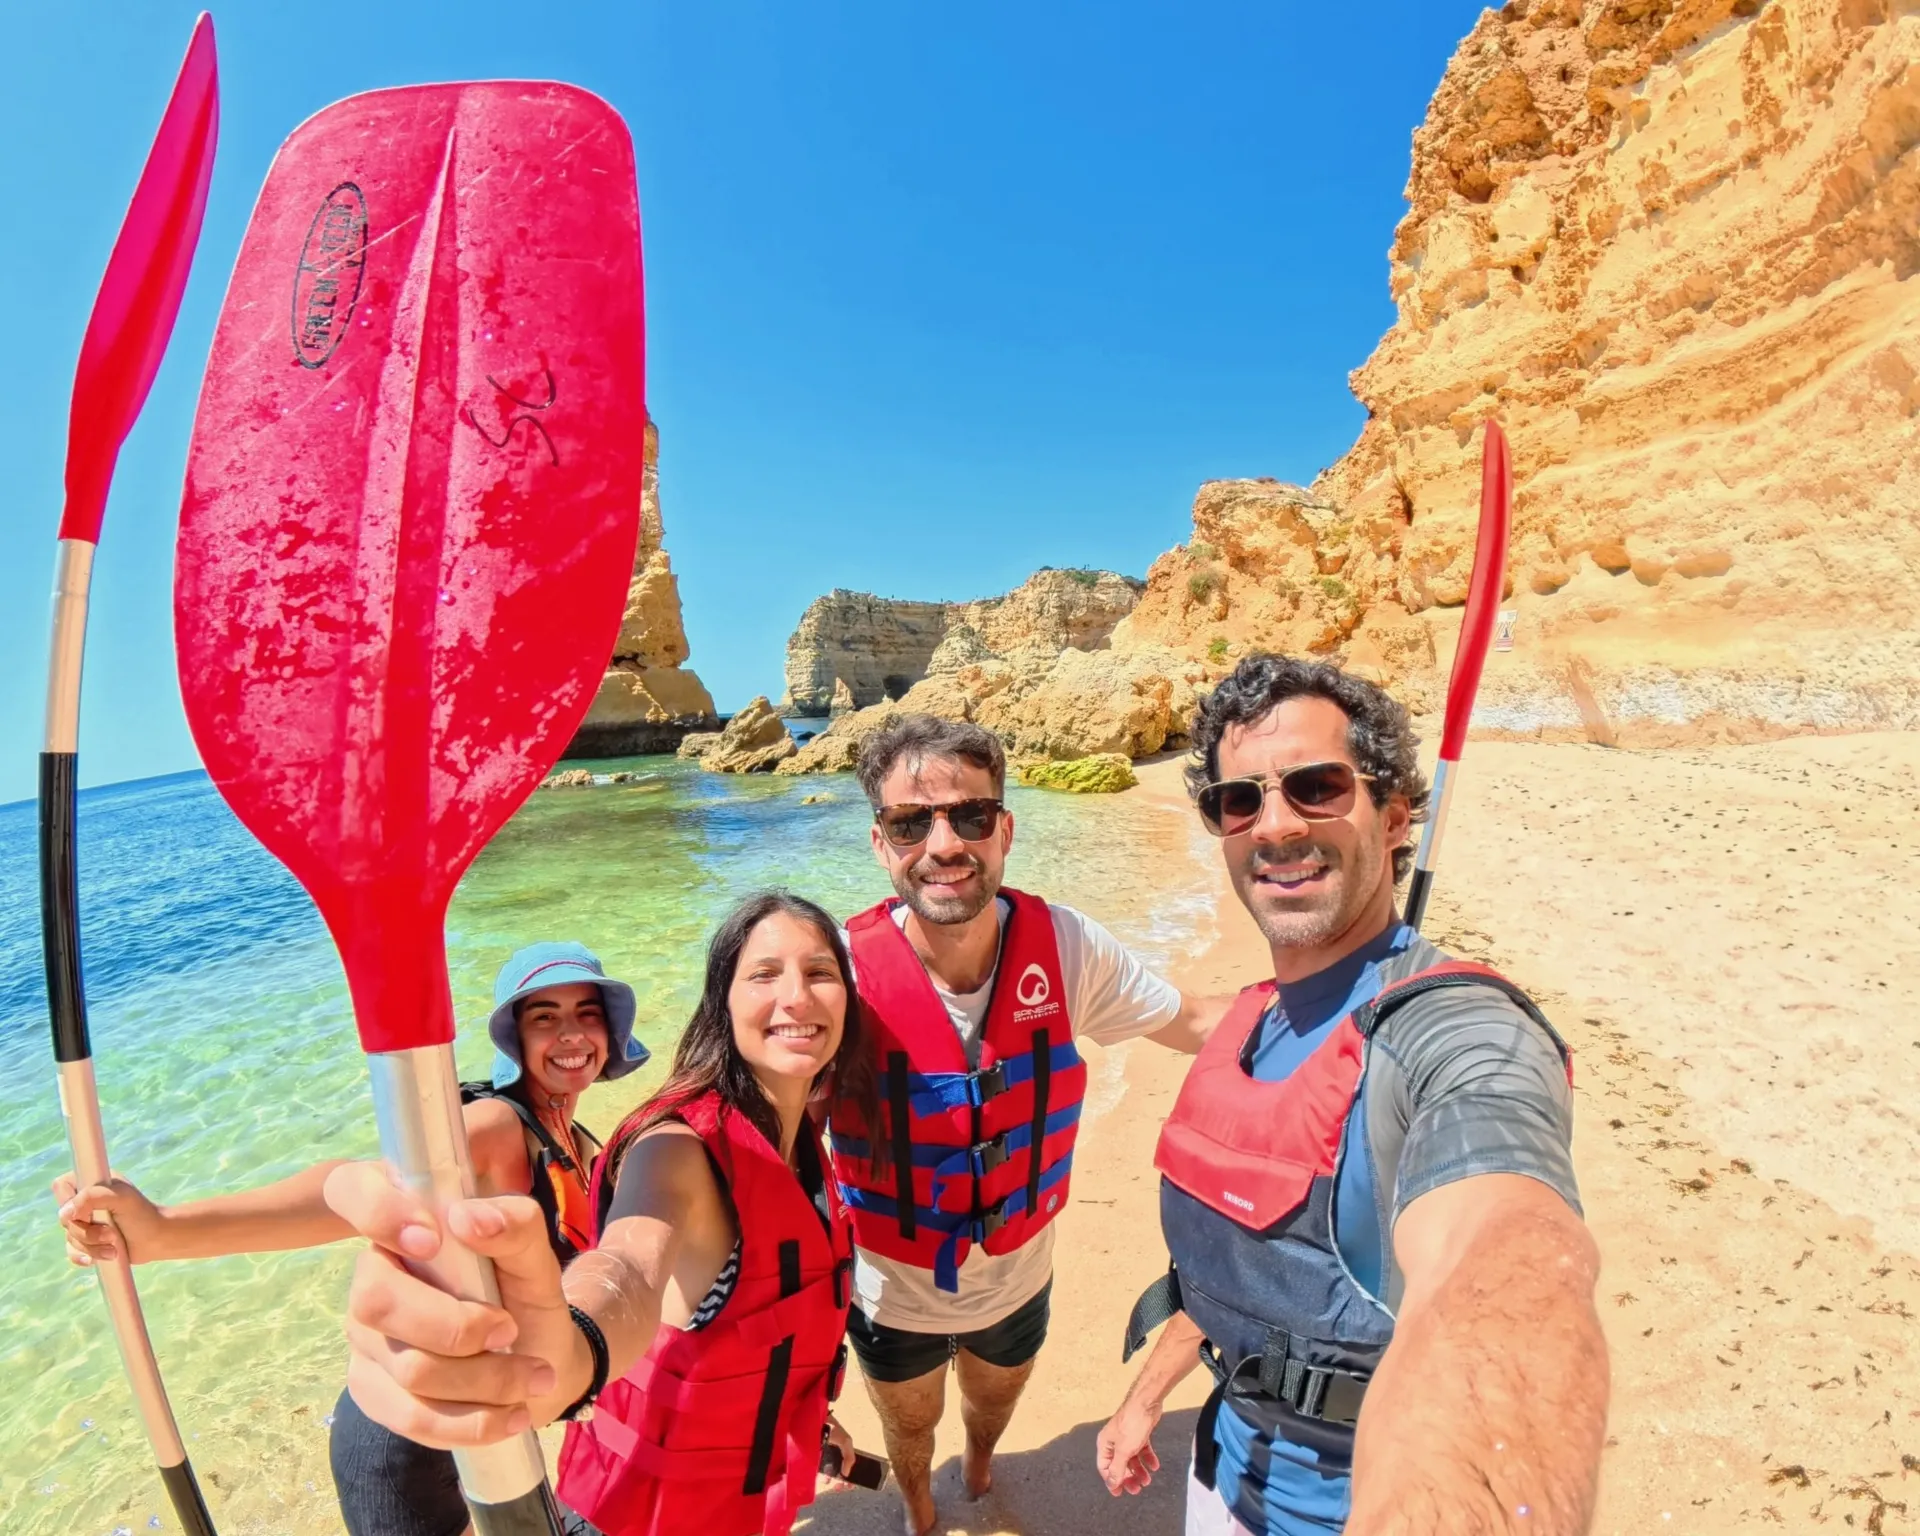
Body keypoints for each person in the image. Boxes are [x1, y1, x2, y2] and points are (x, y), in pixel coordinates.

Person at [1095, 654, 1609, 1536]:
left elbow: (1510, 1280)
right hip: (1222, 1469)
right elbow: (1249, 1267)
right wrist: (1148, 1393)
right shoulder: (1256, 1017)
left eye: (1318, 787)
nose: (1276, 825)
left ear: (1396, 817)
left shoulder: (1457, 1035)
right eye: (1239, 800)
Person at [323, 891, 878, 1536]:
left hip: (707, 1493)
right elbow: (625, 1264)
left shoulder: (783, 1142)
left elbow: (761, 1324)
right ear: (722, 1004)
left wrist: (808, 1417)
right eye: (763, 973)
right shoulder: (668, 1148)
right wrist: (565, 1353)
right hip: (480, 1435)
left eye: (819, 972)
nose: (797, 997)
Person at [53, 940, 650, 1536]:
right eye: (544, 1016)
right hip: (397, 1442)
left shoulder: (579, 1141)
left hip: (484, 1429)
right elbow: (363, 1191)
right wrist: (165, 1231)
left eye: (587, 1013)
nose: (570, 1034)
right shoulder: (495, 1126)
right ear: (515, 1039)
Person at [829, 714, 1227, 1535]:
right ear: (880, 844)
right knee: (908, 1430)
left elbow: (1195, 1023)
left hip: (1016, 1279)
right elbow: (738, 1118)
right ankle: (919, 1507)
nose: (944, 845)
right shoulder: (836, 972)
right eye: (911, 824)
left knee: (989, 1408)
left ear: (1005, 829)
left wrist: (1348, 1007)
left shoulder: (1068, 947)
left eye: (969, 816)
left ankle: (979, 1467)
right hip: (889, 1295)